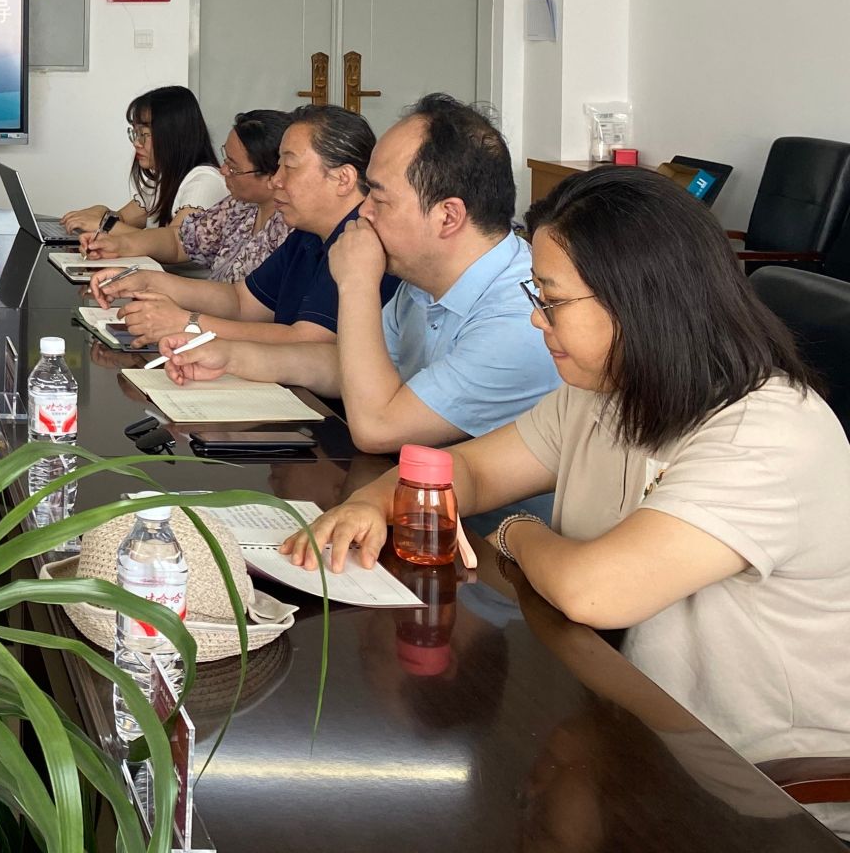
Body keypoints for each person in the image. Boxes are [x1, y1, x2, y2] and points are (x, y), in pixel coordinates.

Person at [284, 166, 850, 835]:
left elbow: (593, 591)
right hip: (636, 731)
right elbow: (468, 470)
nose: (536, 318)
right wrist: (371, 502)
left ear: (640, 300)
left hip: (761, 790)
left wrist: (518, 532)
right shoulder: (604, 393)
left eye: (551, 300)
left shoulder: (768, 432)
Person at [162, 95, 555, 452]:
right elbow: (344, 366)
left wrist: (357, 283)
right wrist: (229, 356)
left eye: (379, 199)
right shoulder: (424, 280)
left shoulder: (519, 318)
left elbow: (377, 428)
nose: (364, 212)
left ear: (447, 216)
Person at [92, 105, 396, 349]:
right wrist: (148, 281)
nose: (276, 180)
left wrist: (188, 323)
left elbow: (308, 341)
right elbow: (241, 301)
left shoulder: (360, 241)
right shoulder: (308, 235)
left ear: (342, 179)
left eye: (289, 167)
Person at [79, 108, 292, 282]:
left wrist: (152, 285)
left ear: (273, 175)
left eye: (233, 167)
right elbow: (179, 240)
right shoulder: (238, 207)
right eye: (226, 159)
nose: (223, 170)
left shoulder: (289, 229)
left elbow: (241, 304)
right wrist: (120, 245)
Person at [60, 86, 227, 257]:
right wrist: (102, 213)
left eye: (143, 134)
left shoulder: (205, 182)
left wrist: (104, 225)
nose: (136, 143)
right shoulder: (163, 177)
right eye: (135, 133)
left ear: (172, 135)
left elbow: (176, 244)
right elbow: (123, 218)